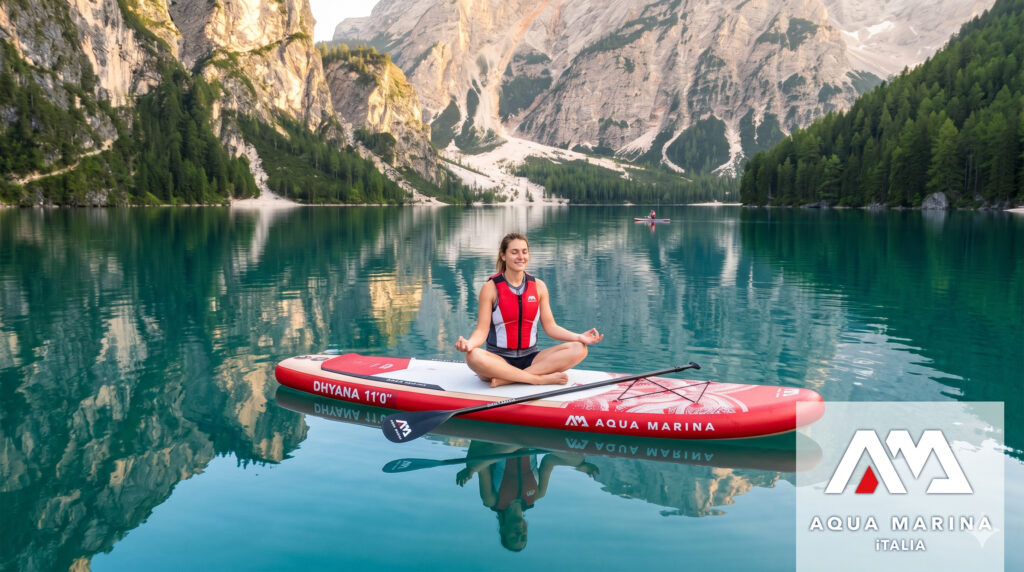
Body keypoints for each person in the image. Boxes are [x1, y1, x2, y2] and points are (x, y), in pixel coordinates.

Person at [455, 232, 603, 387]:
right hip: (498, 360)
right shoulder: (490, 288)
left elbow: (551, 327)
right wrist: (469, 344)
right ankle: (536, 379)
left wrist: (579, 337)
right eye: (514, 252)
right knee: (473, 356)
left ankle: (508, 379)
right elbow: (481, 331)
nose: (521, 257)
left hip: (531, 358)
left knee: (580, 349)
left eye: (524, 252)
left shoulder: (539, 286)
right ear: (503, 256)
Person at [456, 442, 599, 551]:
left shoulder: (492, 500)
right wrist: (579, 465)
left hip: (504, 443)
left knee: (474, 462)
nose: (520, 533)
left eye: (513, 537)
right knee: (578, 458)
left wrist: (472, 470)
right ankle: (531, 439)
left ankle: (522, 440)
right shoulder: (538, 493)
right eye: (524, 537)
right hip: (532, 442)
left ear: (503, 530)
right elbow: (549, 461)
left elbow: (483, 467)